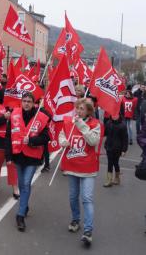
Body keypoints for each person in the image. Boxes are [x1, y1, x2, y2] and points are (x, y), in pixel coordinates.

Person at [59, 98, 102, 247]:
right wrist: (63, 141)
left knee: (87, 198)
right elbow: (62, 135)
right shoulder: (68, 122)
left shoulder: (95, 124)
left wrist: (81, 125)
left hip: (88, 168)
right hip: (72, 165)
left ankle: (88, 231)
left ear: (89, 111)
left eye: (82, 109)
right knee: (72, 197)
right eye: (77, 108)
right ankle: (75, 219)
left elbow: (93, 141)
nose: (78, 111)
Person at [5, 92, 50, 232]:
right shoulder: (14, 115)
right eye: (24, 101)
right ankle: (25, 205)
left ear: (33, 103)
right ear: (21, 102)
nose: (26, 103)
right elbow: (8, 136)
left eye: (29, 101)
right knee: (21, 183)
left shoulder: (40, 117)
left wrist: (31, 140)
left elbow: (46, 137)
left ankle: (20, 216)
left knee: (25, 183)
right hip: (18, 154)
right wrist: (8, 157)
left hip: (33, 156)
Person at [0, 89, 19, 198]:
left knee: (12, 164)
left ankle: (15, 188)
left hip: (12, 140)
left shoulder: (16, 107)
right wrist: (3, 117)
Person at [103, 113, 128, 187]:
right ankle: (109, 180)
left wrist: (124, 150)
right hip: (109, 146)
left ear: (119, 115)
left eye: (116, 115)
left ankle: (117, 177)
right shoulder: (108, 123)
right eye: (113, 115)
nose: (114, 116)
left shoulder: (122, 125)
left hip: (117, 148)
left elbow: (125, 139)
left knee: (115, 163)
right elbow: (105, 133)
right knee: (110, 163)